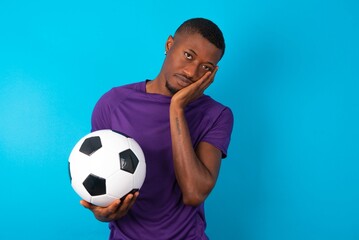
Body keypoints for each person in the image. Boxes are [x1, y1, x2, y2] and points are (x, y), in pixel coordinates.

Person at [80, 17, 234, 239]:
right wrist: (103, 213)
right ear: (170, 45)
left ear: (213, 73)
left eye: (205, 67)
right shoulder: (114, 103)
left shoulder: (216, 115)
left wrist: (177, 108)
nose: (192, 72)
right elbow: (101, 187)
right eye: (188, 55)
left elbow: (194, 192)